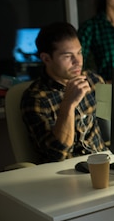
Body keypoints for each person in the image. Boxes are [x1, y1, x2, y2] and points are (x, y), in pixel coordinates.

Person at [21, 22, 107, 163]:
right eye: (68, 56)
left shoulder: (94, 80)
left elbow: (110, 128)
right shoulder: (35, 98)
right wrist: (68, 104)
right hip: (65, 173)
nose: (77, 61)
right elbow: (57, 154)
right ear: (46, 59)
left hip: (103, 163)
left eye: (79, 53)